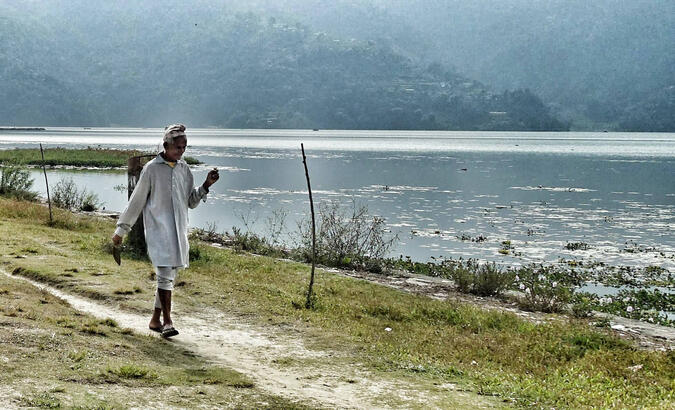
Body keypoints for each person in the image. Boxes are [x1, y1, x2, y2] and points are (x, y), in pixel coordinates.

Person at [111, 124, 219, 338]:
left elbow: (190, 202)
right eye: (178, 147)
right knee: (164, 276)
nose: (181, 151)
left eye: (184, 147)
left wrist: (206, 184)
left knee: (168, 276)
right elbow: (137, 201)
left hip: (178, 230)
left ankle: (154, 319)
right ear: (166, 145)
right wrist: (121, 230)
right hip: (158, 229)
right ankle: (167, 322)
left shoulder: (184, 169)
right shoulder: (151, 169)